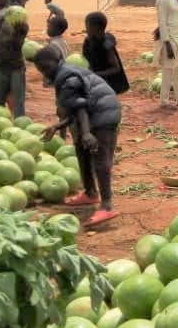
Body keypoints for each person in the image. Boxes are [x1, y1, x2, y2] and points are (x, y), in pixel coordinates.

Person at [34, 45, 122, 223]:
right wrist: (58, 126)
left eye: (46, 67)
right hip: (94, 111)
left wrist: (87, 133)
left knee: (100, 158)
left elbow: (81, 107)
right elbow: (76, 108)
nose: (45, 73)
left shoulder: (66, 77)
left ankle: (107, 205)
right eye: (41, 70)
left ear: (58, 61)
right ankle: (90, 193)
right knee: (81, 151)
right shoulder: (64, 74)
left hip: (103, 114)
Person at [156, 0, 178, 109]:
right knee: (168, 70)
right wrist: (166, 44)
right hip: (169, 40)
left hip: (176, 37)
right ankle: (164, 101)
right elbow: (162, 22)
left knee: (177, 68)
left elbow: (168, 18)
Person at [83, 11, 129, 94]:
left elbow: (116, 68)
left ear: (96, 27)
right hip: (95, 80)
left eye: (87, 25)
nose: (85, 28)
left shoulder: (107, 45)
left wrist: (96, 74)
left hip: (109, 83)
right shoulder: (88, 41)